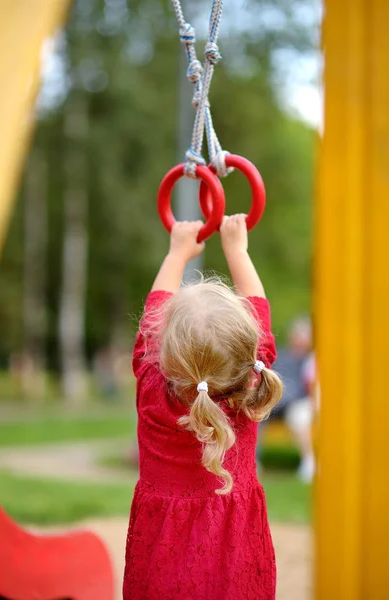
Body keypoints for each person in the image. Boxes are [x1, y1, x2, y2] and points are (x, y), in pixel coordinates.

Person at [123, 215, 283, 600]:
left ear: (162, 354)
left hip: (160, 560)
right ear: (249, 354)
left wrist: (177, 253)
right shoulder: (249, 389)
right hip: (236, 562)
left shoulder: (151, 389)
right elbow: (259, 305)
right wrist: (237, 250)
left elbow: (153, 312)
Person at [260, 318, 315, 482]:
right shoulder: (280, 355)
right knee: (257, 415)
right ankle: (254, 461)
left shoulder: (309, 360)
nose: (301, 340)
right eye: (298, 335)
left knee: (299, 416)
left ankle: (309, 463)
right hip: (274, 402)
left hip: (296, 403)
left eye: (304, 336)